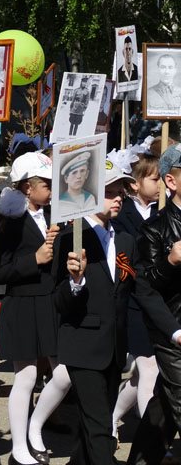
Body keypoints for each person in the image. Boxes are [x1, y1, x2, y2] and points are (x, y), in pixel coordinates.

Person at [53, 160, 179, 465]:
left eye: (120, 191)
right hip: (82, 348)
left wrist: (174, 331)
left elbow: (143, 291)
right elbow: (58, 301)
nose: (118, 197)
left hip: (113, 348)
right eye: (109, 191)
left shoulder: (123, 240)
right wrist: (75, 282)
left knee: (90, 431)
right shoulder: (72, 238)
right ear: (89, 195)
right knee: (101, 433)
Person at [0, 151, 71, 465]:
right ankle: (19, 448)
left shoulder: (56, 215)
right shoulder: (11, 221)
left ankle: (35, 426)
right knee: (24, 378)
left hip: (51, 303)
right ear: (27, 187)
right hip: (23, 304)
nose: (52, 189)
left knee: (64, 373)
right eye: (46, 184)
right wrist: (34, 260)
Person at [126, 146, 181, 464]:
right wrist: (171, 262)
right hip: (172, 330)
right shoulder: (154, 229)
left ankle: (142, 458)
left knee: (163, 404)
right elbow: (146, 286)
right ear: (171, 181)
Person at [110, 151, 161, 446]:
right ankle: (151, 441)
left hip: (157, 301)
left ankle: (112, 416)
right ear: (135, 184)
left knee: (142, 375)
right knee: (149, 368)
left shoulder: (161, 213)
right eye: (153, 179)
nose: (160, 186)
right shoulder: (122, 214)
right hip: (132, 303)